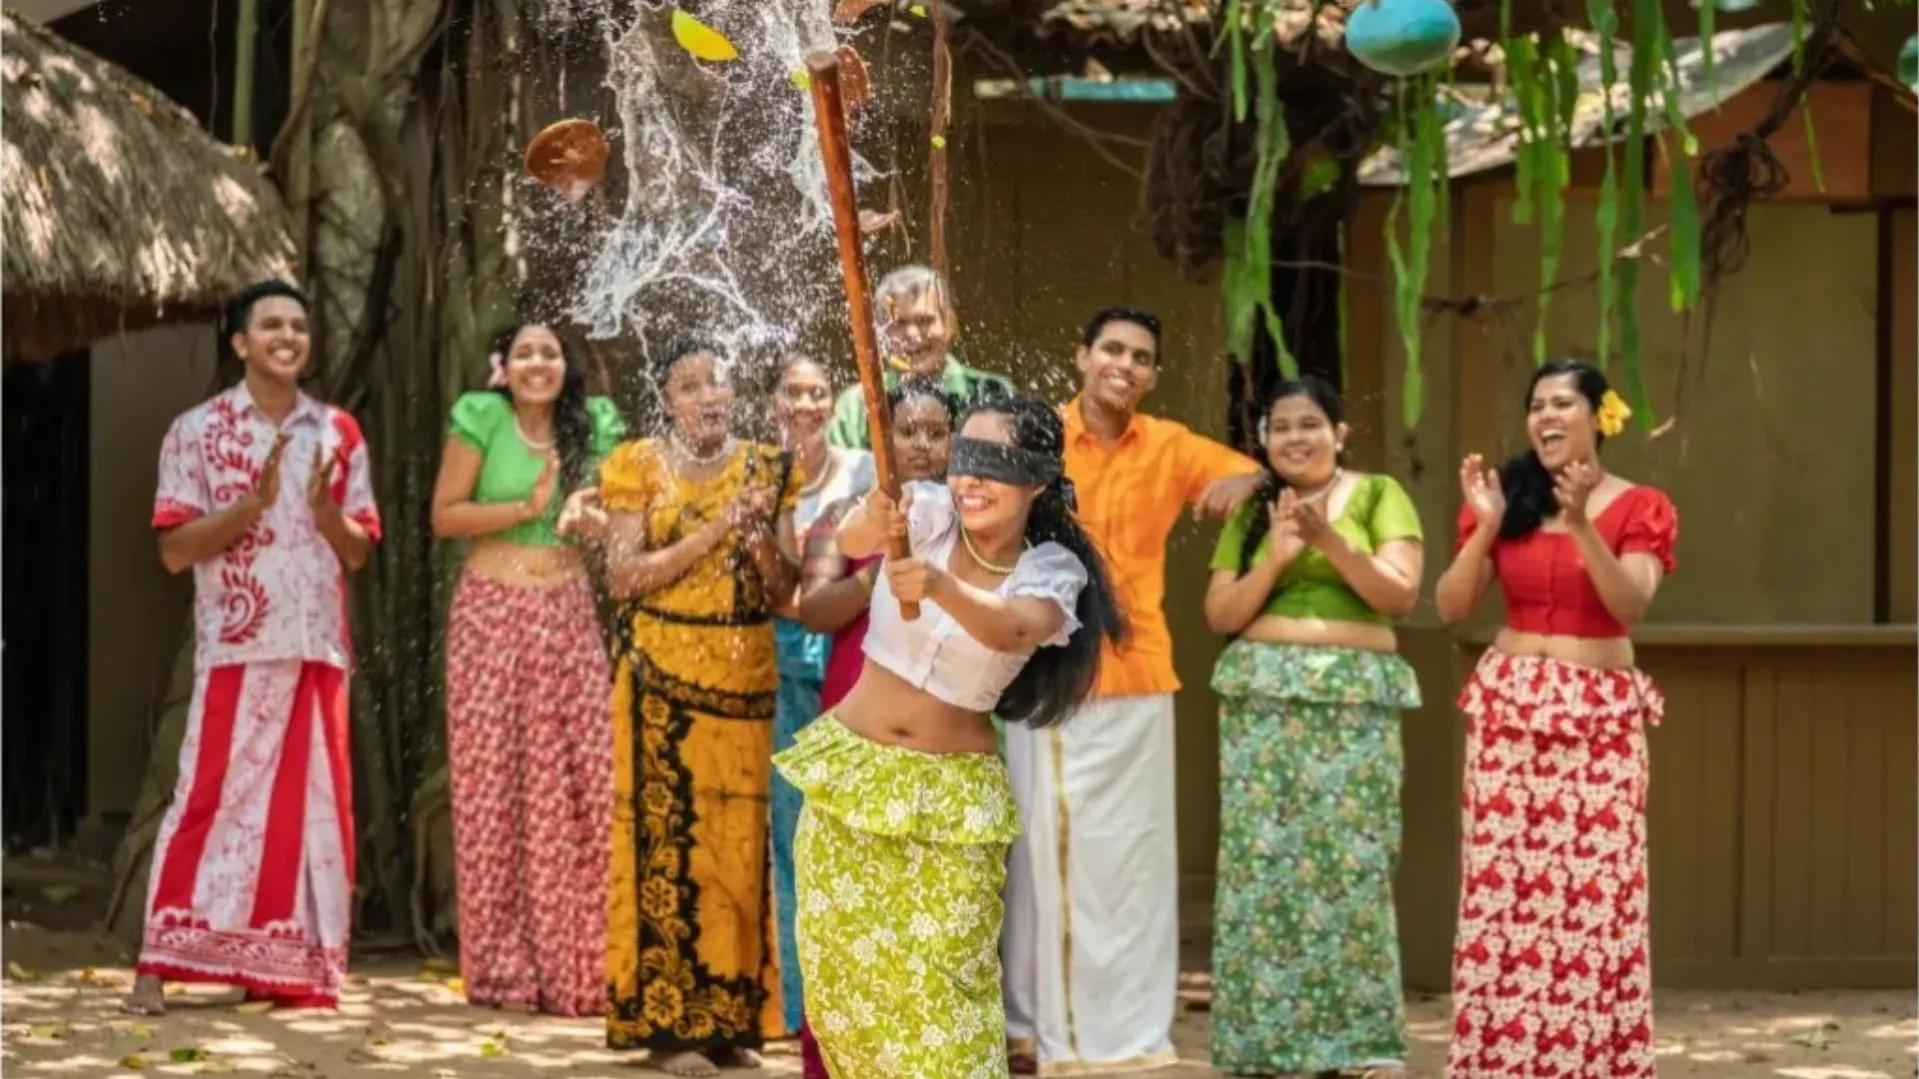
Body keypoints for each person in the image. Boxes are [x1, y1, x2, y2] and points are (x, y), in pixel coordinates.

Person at [775, 395, 1126, 1079]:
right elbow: (849, 540)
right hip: (850, 782)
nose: (968, 480)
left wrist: (938, 585)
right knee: (848, 998)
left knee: (944, 1005)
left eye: (993, 464)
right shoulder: (926, 511)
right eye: (964, 460)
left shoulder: (1051, 568)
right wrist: (870, 519)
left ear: (1038, 479)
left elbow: (1016, 626)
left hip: (948, 807)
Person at [1001, 306, 1263, 1074]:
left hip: (1141, 675)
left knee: (1134, 865)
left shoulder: (1171, 445)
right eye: (1111, 349)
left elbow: (1262, 478)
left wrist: (1245, 480)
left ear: (1152, 374)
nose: (1125, 364)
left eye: (1141, 356)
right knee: (1041, 860)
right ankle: (1039, 1030)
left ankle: (1128, 1032)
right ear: (1081, 355)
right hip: (1050, 675)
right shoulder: (1037, 436)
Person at [126, 280, 381, 1016]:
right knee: (208, 801)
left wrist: (326, 513)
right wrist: (251, 507)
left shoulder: (339, 432)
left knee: (314, 812)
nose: (288, 336)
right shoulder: (196, 431)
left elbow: (359, 552)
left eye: (299, 326)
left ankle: (289, 967)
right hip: (239, 646)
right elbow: (174, 550)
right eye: (271, 325)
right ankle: (157, 961)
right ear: (239, 342)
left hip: (318, 649)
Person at [1433, 360, 1677, 1079]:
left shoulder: (1641, 505)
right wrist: (1483, 528)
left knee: (1594, 898)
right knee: (1502, 895)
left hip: (1597, 714)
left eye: (1562, 402)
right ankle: (1498, 1062)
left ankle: (1585, 1062)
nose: (1544, 415)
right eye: (1535, 403)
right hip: (1510, 707)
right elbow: (1450, 607)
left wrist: (1579, 527)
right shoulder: (1508, 498)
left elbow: (1630, 602)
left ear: (1599, 416)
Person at [1199, 377, 1425, 1078]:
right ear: (1264, 442)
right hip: (1263, 704)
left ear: (1340, 431)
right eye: (1279, 427)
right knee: (1262, 872)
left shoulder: (1380, 494)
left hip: (1354, 702)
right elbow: (1220, 616)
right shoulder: (1256, 511)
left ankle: (1358, 1044)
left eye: (1309, 424)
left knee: (1354, 866)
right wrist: (1276, 557)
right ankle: (1261, 1044)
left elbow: (1399, 592)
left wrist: (1329, 538)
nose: (1294, 437)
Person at [599, 338, 802, 1077]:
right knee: (667, 850)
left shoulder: (769, 468)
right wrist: (717, 528)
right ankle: (665, 1030)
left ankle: (728, 1022)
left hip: (746, 684)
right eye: (690, 385)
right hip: (660, 677)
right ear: (667, 398)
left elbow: (786, 591)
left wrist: (752, 535)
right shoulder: (636, 465)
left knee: (739, 856)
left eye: (717, 381)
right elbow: (623, 576)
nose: (708, 395)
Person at [428, 322, 627, 1016]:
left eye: (550, 352)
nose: (538, 363)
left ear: (566, 365)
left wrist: (587, 513)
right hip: (490, 614)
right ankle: (504, 971)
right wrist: (526, 508)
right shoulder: (480, 416)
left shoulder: (596, 423)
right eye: (525, 353)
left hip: (567, 611)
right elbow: (444, 514)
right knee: (493, 788)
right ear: (502, 367)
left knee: (581, 784)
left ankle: (582, 965)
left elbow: (617, 509)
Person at [789, 377, 954, 1079]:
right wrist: (882, 564)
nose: (920, 444)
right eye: (905, 431)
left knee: (930, 918)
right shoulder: (841, 514)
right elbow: (813, 607)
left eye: (934, 431)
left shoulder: (974, 519)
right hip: (854, 722)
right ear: (880, 438)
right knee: (846, 910)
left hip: (943, 733)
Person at [768, 355, 876, 1037]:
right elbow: (779, 585)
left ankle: (858, 997)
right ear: (772, 401)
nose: (806, 403)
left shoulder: (863, 470)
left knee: (853, 838)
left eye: (817, 391)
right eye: (791, 391)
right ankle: (799, 1008)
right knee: (790, 841)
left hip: (852, 665)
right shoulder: (760, 471)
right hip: (779, 665)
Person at [825, 264, 1012, 450]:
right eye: (898, 323)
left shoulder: (990, 394)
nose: (912, 334)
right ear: (879, 335)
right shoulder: (857, 407)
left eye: (924, 321)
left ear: (949, 326)